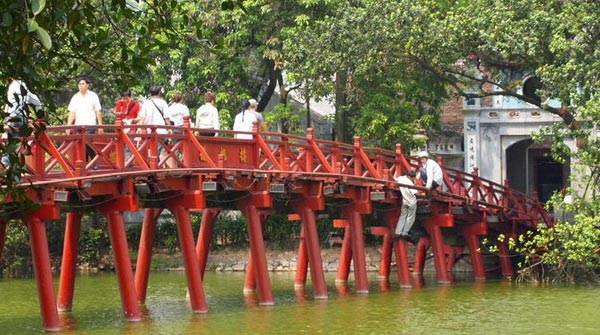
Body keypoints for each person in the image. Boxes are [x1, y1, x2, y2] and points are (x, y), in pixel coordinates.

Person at [2, 77, 42, 166]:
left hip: (10, 118)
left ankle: (6, 166)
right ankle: (12, 167)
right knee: (16, 145)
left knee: (8, 144)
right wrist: (39, 113)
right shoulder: (22, 85)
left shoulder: (13, 85)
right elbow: (36, 101)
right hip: (20, 118)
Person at [66, 77, 103, 166]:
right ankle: (85, 165)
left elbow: (98, 111)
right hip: (78, 125)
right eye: (79, 84)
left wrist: (100, 125)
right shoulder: (75, 97)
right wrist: (68, 125)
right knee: (80, 146)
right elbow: (72, 112)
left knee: (87, 143)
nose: (81, 86)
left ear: (87, 85)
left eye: (83, 84)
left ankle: (94, 162)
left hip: (90, 124)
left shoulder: (93, 95)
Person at [394, 170, 419, 239]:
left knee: (402, 216)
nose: (413, 179)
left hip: (404, 201)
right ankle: (404, 232)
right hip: (411, 202)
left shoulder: (400, 178)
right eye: (412, 178)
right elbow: (415, 193)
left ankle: (397, 232)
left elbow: (394, 179)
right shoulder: (409, 183)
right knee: (410, 218)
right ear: (409, 176)